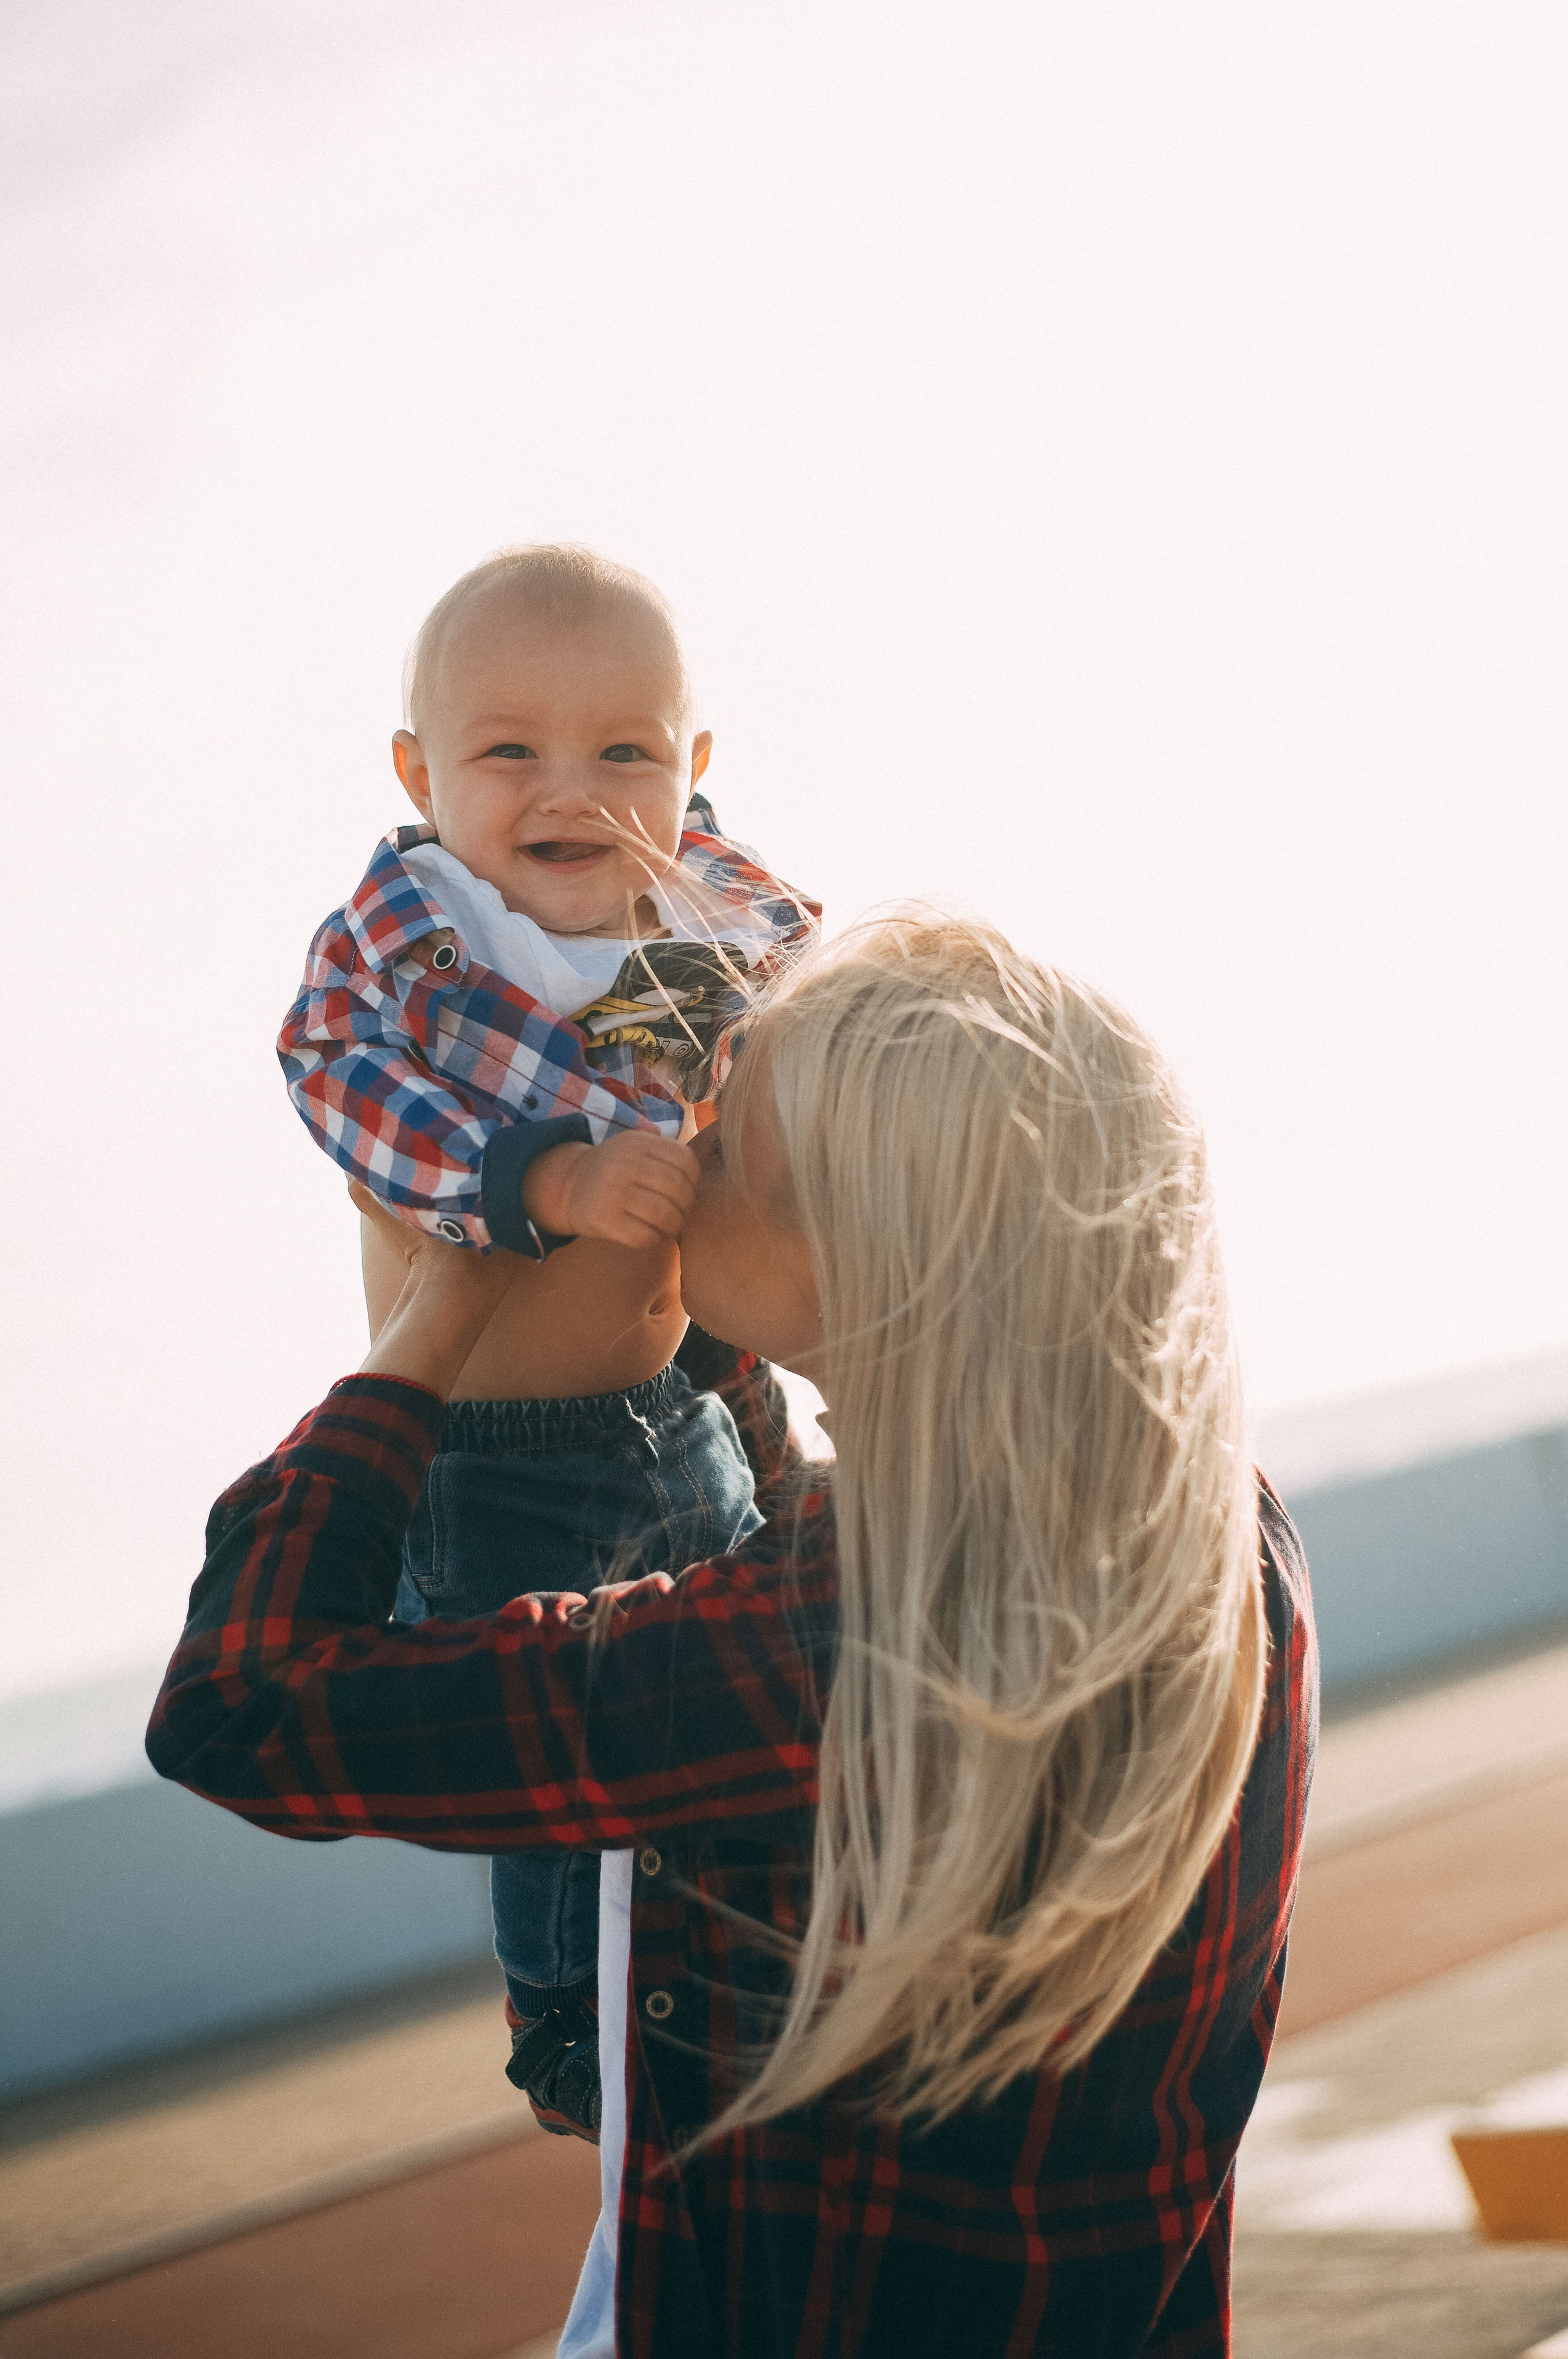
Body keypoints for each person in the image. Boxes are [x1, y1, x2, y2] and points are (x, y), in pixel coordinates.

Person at [152, 912, 1316, 2358]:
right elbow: (822, 1530)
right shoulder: (1218, 1535)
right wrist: (674, 1330)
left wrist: (427, 1328)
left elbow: (244, 1707)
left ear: (863, 1260)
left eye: (722, 1148)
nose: (675, 1154)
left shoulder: (822, 1653)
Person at [276, 543, 819, 2136]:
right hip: (498, 1456)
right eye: (509, 750)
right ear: (419, 774)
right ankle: (570, 2018)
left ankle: (763, 1949)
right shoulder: (411, 942)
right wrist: (545, 1177)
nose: (570, 790)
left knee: (739, 1697)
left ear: (691, 766)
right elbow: (337, 1083)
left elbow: (815, 998)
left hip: (680, 1407)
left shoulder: (707, 914)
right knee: (564, 1763)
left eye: (625, 751)